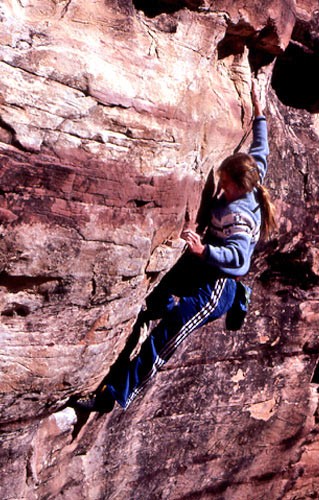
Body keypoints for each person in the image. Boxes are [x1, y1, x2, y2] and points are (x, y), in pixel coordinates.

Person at [74, 78, 276, 413]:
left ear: (239, 187)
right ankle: (220, 299)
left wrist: (204, 251)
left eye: (224, 183)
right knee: (155, 301)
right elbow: (261, 151)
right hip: (204, 271)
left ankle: (111, 398)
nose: (220, 187)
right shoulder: (253, 180)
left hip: (213, 287)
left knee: (162, 340)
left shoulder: (238, 214)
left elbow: (239, 261)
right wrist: (259, 113)